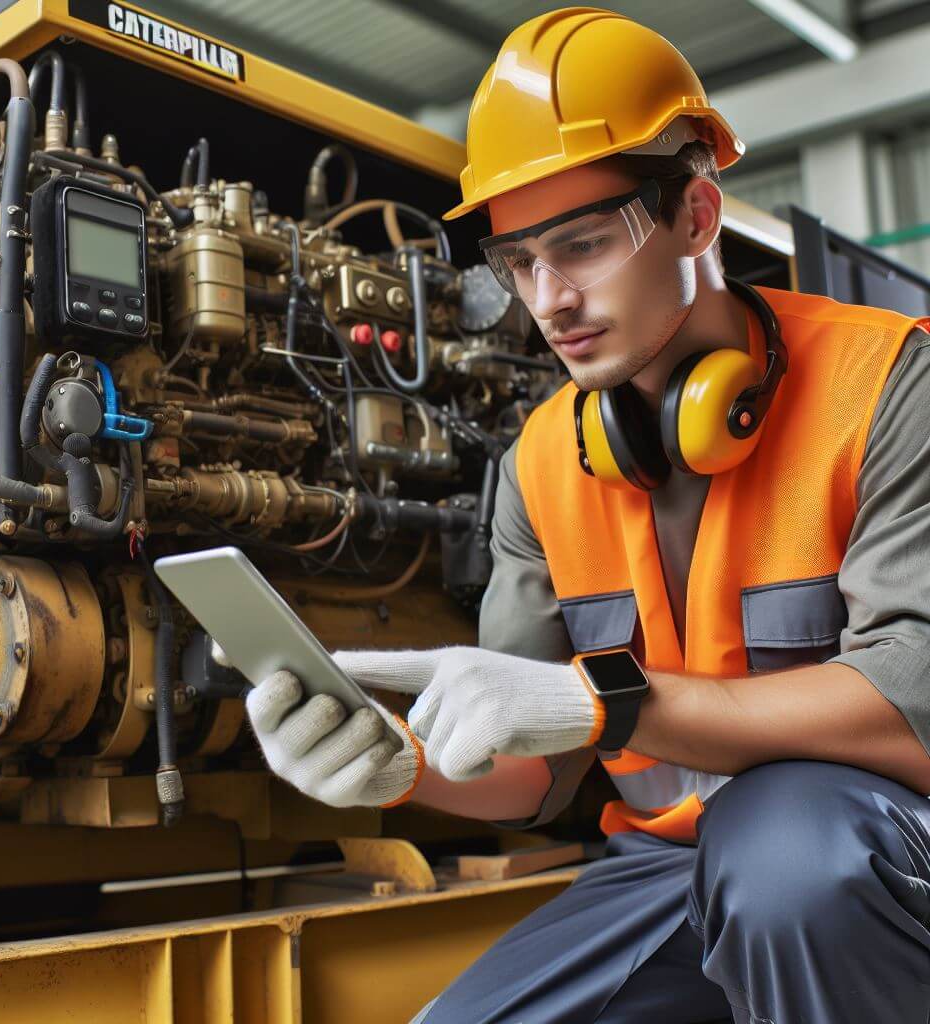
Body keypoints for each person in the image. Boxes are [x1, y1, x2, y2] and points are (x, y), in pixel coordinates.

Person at [245, 8, 930, 1022]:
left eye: (583, 244)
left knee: (790, 861)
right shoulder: (540, 461)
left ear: (697, 216)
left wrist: (604, 701)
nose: (549, 298)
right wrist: (400, 767)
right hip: (661, 874)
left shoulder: (886, 382)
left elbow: (911, 707)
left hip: (861, 849)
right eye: (519, 263)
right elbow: (537, 773)